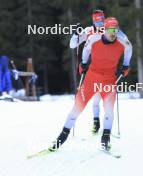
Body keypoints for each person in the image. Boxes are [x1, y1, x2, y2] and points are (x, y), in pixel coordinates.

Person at [51, 17, 132, 151]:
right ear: (104, 30)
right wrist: (83, 62)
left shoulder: (123, 43)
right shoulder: (93, 38)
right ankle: (62, 137)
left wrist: (125, 66)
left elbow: (129, 50)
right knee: (77, 108)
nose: (113, 33)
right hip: (91, 78)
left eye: (116, 30)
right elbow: (86, 49)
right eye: (110, 30)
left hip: (109, 80)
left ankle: (105, 140)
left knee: (109, 110)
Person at [70, 9, 129, 135]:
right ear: (93, 21)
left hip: (108, 66)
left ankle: (103, 126)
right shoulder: (88, 31)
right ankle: (96, 122)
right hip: (90, 66)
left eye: (101, 20)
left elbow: (125, 41)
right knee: (94, 97)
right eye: (97, 21)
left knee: (101, 98)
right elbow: (72, 45)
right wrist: (75, 34)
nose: (100, 24)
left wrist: (124, 64)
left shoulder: (111, 29)